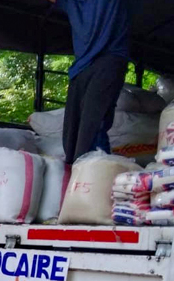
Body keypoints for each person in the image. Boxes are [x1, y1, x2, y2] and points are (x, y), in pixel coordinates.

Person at [51, 0, 131, 166]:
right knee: (72, 136)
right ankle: (81, 176)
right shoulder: (72, 3)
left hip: (110, 59)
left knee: (94, 128)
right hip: (81, 67)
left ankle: (97, 180)